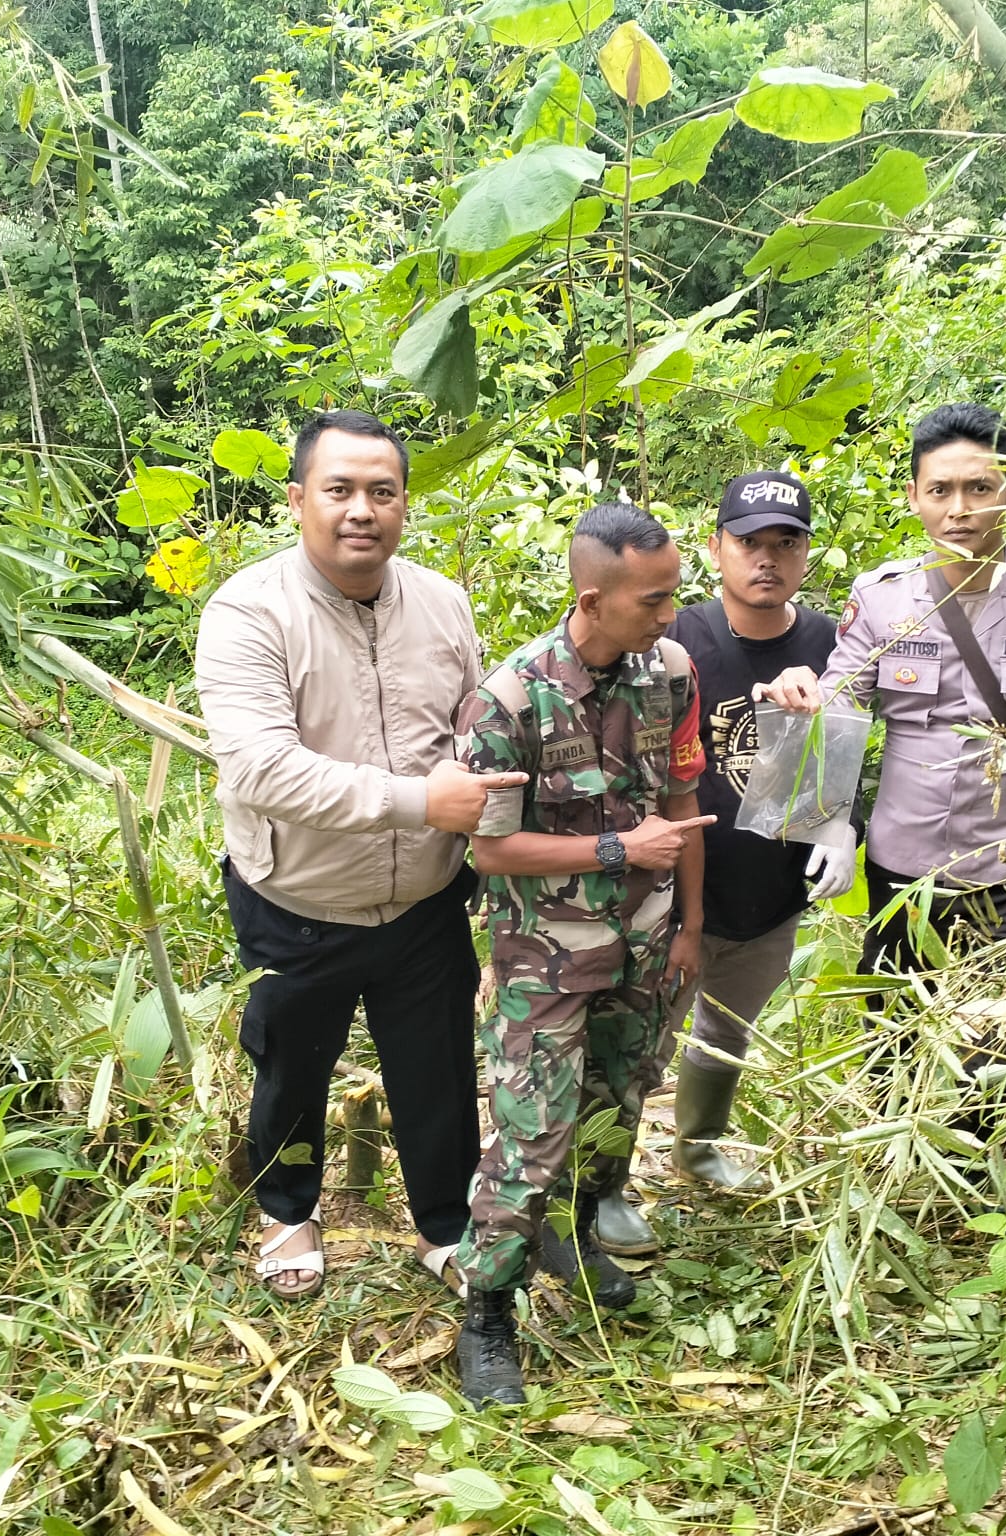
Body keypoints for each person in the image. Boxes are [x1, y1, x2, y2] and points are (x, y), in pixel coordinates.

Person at [194, 409, 526, 1300]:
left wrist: (476, 804)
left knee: (439, 1069)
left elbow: (472, 730)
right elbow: (263, 768)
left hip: (424, 896)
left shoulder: (443, 603)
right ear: (300, 498)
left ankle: (447, 1226)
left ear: (404, 504)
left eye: (381, 491)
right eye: (338, 489)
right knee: (291, 1066)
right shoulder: (247, 611)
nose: (360, 510)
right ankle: (289, 1213)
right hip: (296, 897)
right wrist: (422, 800)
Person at [450, 502, 713, 1407]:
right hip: (545, 961)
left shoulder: (671, 672)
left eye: (674, 595)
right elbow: (490, 850)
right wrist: (616, 853)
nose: (670, 614)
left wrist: (688, 928)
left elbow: (683, 805)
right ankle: (487, 1309)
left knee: (618, 1102)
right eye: (654, 599)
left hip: (646, 946)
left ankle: (578, 1235)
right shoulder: (510, 697)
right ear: (593, 598)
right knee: (534, 1128)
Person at [762, 402, 1006, 1026]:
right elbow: (842, 703)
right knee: (894, 1047)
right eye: (940, 490)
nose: (959, 508)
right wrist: (824, 826)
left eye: (978, 487)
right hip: (899, 873)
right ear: (914, 496)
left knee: (998, 1056)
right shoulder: (880, 597)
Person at [592, 471, 862, 1256]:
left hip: (771, 889)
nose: (767, 559)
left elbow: (844, 752)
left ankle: (699, 1146)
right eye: (749, 542)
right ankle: (604, 1186)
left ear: (807, 553)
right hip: (675, 889)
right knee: (642, 1040)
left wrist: (844, 825)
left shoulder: (829, 643)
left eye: (786, 542)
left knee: (730, 1028)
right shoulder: (676, 642)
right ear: (716, 548)